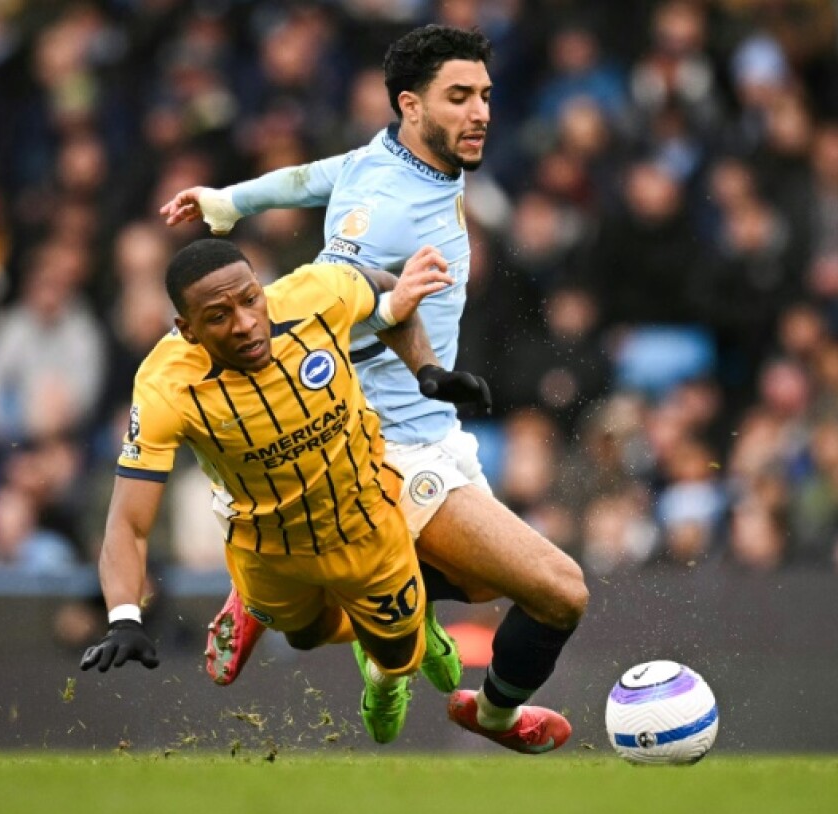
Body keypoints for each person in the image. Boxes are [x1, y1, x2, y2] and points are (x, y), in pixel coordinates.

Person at [160, 24, 588, 753]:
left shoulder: (388, 159)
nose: (480, 112)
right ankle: (488, 716)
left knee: (483, 586)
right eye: (459, 97)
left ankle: (292, 592)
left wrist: (231, 201)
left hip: (432, 435)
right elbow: (310, 316)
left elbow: (319, 174)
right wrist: (390, 313)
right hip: (382, 447)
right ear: (411, 105)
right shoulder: (386, 207)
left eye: (485, 94)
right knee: (559, 591)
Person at [80, 238, 492, 745]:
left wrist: (427, 370)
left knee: (400, 655)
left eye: (251, 299)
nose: (245, 322)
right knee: (306, 634)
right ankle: (255, 605)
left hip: (362, 520)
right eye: (218, 316)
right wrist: (124, 616)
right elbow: (128, 521)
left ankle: (387, 673)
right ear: (186, 329)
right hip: (266, 546)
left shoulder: (315, 294)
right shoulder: (165, 386)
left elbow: (386, 288)